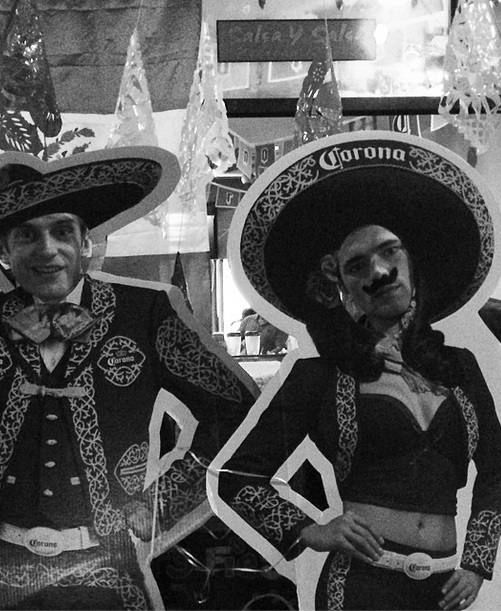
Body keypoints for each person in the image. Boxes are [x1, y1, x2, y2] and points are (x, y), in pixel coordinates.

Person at [0, 147, 257, 610]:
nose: (47, 249)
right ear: (3, 251)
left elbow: (238, 414)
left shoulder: (144, 314)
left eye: (61, 231)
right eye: (27, 235)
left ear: (85, 241)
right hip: (1, 566)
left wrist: (161, 502)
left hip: (108, 562)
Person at [210, 132, 501, 610]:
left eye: (390, 251)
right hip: (359, 587)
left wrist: (476, 563)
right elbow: (235, 475)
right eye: (357, 266)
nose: (379, 272)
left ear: (413, 261)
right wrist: (312, 529)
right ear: (341, 289)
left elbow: (495, 470)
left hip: (445, 589)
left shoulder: (459, 367)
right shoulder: (320, 376)